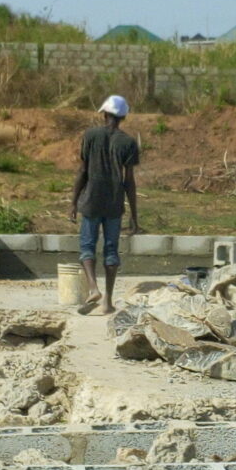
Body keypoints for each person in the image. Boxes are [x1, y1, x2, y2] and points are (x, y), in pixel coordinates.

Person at [68, 95, 141, 315]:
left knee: (87, 247)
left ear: (105, 114)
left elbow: (83, 171)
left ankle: (93, 288)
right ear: (123, 117)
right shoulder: (128, 143)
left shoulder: (90, 135)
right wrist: (134, 214)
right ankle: (107, 301)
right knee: (111, 251)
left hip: (91, 201)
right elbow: (129, 181)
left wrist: (73, 202)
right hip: (114, 204)